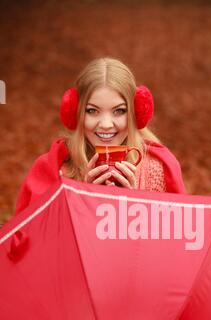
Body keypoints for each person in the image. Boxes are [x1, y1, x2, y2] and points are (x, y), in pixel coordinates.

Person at [15, 57, 186, 214]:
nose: (105, 124)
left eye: (119, 111)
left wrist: (135, 206)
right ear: (77, 112)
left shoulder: (158, 169)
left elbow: (173, 240)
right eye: (92, 111)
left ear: (135, 113)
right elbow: (36, 240)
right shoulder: (55, 170)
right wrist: (83, 201)